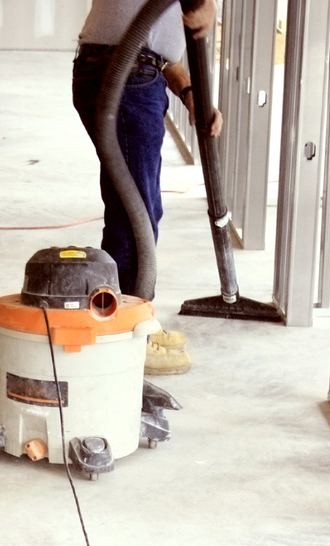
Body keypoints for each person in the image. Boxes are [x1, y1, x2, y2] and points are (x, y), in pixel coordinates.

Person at [72, 0, 223, 375]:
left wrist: (189, 92)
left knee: (134, 207)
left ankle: (128, 319)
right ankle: (123, 335)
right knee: (133, 215)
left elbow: (153, 41)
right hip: (126, 75)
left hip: (126, 69)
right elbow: (140, 39)